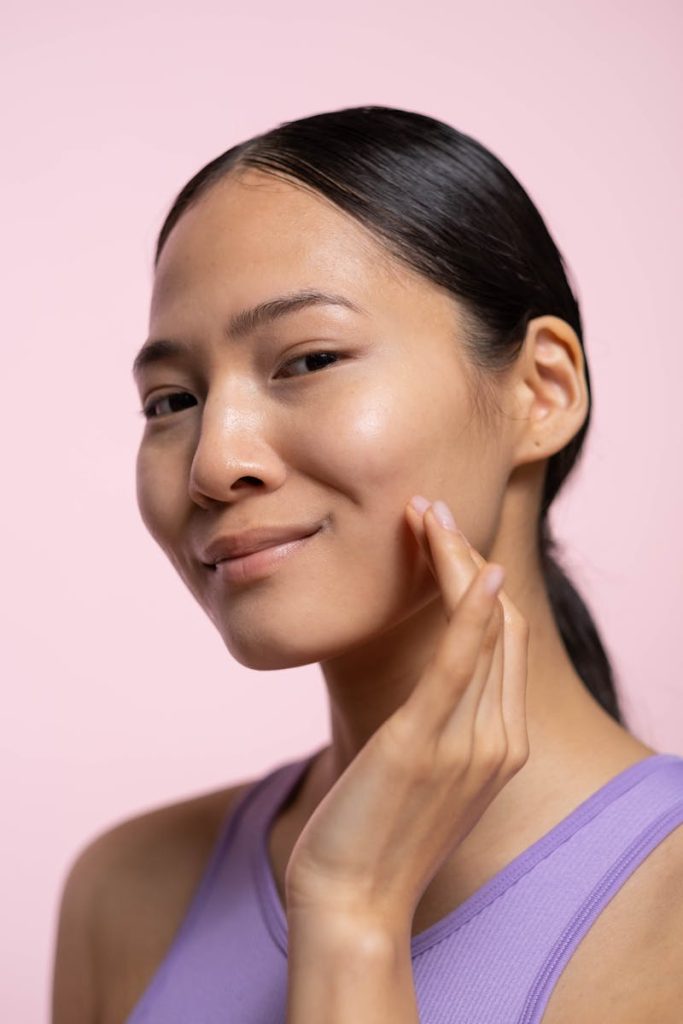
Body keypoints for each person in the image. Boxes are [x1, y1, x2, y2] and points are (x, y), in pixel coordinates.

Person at [51, 106, 683, 1024]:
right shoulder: (128, 892)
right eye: (172, 399)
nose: (214, 461)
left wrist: (352, 917)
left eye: (308, 358)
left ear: (540, 390)